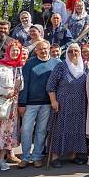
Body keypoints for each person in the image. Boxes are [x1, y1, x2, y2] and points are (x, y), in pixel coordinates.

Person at [47, 43, 89, 167]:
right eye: (70, 51)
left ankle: (73, 154)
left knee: (77, 129)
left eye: (76, 51)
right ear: (66, 53)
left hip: (80, 105)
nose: (73, 53)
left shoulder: (84, 68)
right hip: (62, 104)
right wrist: (53, 101)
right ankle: (55, 156)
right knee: (59, 129)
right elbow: (50, 86)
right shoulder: (61, 66)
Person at [18, 40, 58, 168]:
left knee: (41, 131)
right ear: (36, 51)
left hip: (47, 104)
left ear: (49, 49)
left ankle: (37, 156)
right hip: (30, 103)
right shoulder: (29, 64)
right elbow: (24, 85)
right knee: (26, 130)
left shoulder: (57, 63)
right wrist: (22, 103)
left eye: (46, 48)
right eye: (40, 49)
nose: (44, 51)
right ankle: (25, 156)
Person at [0, 41, 25, 173]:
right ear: (8, 51)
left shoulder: (19, 67)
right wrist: (5, 91)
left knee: (7, 133)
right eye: (13, 50)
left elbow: (21, 86)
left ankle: (2, 159)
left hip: (12, 105)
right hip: (0, 102)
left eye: (18, 50)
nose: (15, 53)